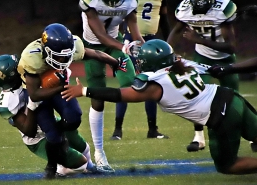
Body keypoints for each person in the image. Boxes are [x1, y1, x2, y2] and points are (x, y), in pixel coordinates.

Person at [61, 39, 257, 175]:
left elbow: (119, 94)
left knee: (226, 165)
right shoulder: (181, 63)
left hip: (221, 115)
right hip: (232, 98)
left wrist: (85, 91)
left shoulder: (155, 84)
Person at [16, 23, 128, 178]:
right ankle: (51, 166)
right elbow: (35, 94)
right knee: (53, 136)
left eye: (65, 55)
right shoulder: (32, 57)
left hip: (58, 88)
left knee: (74, 117)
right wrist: (61, 86)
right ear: (46, 51)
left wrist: (115, 63)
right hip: (39, 95)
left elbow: (93, 53)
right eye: (58, 55)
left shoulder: (71, 46)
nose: (63, 59)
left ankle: (59, 133)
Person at [0, 54, 98, 178]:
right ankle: (60, 170)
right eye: (18, 68)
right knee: (80, 164)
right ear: (12, 76)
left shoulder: (33, 77)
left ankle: (92, 168)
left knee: (77, 138)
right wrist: (32, 105)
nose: (23, 68)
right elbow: (29, 131)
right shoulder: (8, 101)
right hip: (38, 139)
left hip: (51, 123)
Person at [79, 0, 145, 172]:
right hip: (93, 47)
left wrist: (145, 50)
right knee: (97, 99)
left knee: (131, 84)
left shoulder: (129, 2)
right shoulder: (91, 2)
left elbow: (136, 35)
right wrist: (125, 48)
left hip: (116, 44)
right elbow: (100, 35)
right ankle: (99, 153)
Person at [167, 0, 239, 152]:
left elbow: (231, 46)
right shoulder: (185, 9)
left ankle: (251, 136)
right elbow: (177, 30)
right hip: (202, 57)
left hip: (225, 58)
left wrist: (199, 40)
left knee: (235, 99)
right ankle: (198, 138)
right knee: (197, 95)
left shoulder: (222, 9)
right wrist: (168, 52)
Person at [111, 0, 170, 140]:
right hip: (131, 41)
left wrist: (168, 44)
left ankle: (152, 130)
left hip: (151, 41)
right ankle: (117, 130)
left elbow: (164, 19)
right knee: (126, 83)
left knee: (150, 84)